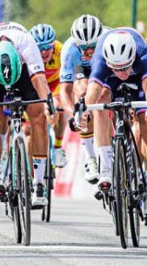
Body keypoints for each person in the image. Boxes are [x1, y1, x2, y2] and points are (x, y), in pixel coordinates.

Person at [78, 28, 147, 217]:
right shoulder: (100, 58)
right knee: (100, 102)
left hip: (139, 79)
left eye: (124, 67)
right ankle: (106, 167)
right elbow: (92, 90)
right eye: (117, 68)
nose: (122, 72)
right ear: (108, 62)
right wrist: (83, 112)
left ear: (131, 59)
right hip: (109, 82)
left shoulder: (143, 55)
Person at [0, 22, 56, 208]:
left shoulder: (27, 43)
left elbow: (40, 81)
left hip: (23, 72)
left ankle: (40, 182)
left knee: (39, 117)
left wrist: (49, 107)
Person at [59, 15, 105, 184]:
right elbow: (64, 90)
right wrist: (74, 115)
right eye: (83, 48)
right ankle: (90, 158)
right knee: (82, 92)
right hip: (83, 71)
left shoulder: (108, 39)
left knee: (108, 96)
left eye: (93, 46)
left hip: (106, 66)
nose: (88, 52)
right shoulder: (70, 49)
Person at [30, 23, 67, 168]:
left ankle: (58, 147)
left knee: (57, 108)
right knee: (29, 126)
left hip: (55, 84)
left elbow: (68, 76)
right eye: (40, 48)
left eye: (47, 47)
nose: (44, 52)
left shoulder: (61, 50)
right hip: (36, 85)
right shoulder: (29, 54)